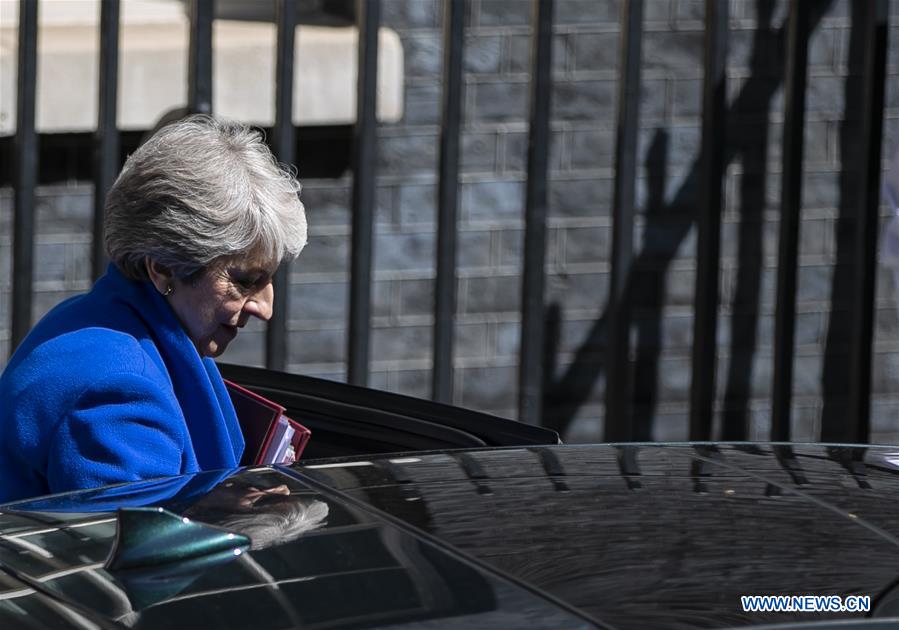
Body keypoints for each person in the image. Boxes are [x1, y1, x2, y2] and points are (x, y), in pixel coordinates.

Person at [0, 115, 307, 503]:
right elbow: (130, 555)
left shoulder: (95, 317)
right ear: (163, 267)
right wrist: (232, 518)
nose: (265, 307)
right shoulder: (120, 394)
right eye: (245, 279)